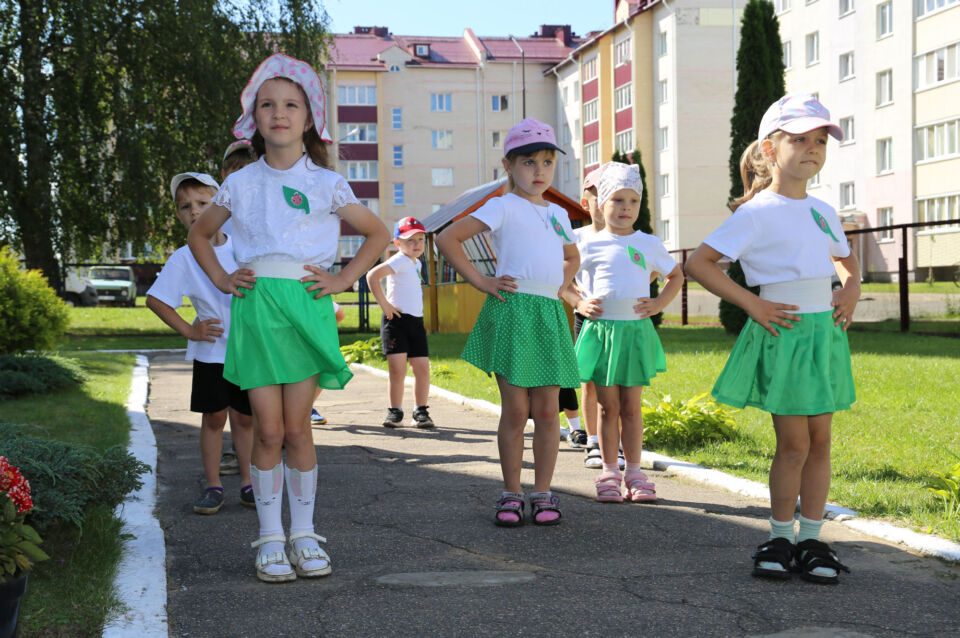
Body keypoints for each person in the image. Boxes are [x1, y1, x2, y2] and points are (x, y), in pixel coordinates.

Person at [187, 53, 390, 583]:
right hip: (256, 312)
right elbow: (199, 235)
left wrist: (344, 280)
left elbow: (378, 234)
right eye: (268, 105)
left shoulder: (326, 183)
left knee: (298, 429)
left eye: (291, 104)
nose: (279, 113)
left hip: (306, 307)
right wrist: (223, 279)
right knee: (267, 430)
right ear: (254, 118)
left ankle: (304, 535)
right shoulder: (240, 184)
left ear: (309, 117)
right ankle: (270, 539)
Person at [685, 94, 859, 584]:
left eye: (820, 141)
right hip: (783, 333)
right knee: (794, 445)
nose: (812, 149)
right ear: (767, 149)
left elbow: (845, 258)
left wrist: (851, 287)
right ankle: (780, 536)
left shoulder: (823, 210)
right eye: (799, 139)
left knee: (822, 441)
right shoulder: (757, 212)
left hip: (823, 336)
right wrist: (752, 303)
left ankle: (812, 541)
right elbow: (699, 263)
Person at [436, 117, 579, 527]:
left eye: (547, 162)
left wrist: (560, 285)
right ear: (509, 165)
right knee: (516, 410)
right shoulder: (502, 205)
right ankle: (512, 492)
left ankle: (544, 492)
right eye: (529, 162)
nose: (539, 171)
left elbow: (572, 256)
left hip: (548, 313)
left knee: (549, 410)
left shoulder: (557, 213)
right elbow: (449, 238)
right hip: (513, 311)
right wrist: (481, 281)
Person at [568, 162, 683, 503]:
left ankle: (635, 471)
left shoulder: (648, 243)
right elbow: (562, 280)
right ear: (601, 204)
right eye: (617, 200)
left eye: (633, 201)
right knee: (607, 406)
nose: (625, 208)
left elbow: (675, 276)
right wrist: (578, 302)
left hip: (634, 334)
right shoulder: (586, 243)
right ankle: (609, 471)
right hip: (601, 333)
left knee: (632, 406)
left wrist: (658, 304)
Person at [146, 172, 256, 514]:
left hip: (249, 349)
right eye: (186, 206)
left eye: (203, 203)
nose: (195, 211)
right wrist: (190, 331)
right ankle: (213, 485)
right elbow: (157, 300)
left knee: (245, 419)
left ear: (222, 204)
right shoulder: (183, 257)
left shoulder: (245, 244)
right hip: (212, 353)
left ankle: (250, 483)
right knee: (213, 418)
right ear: (179, 215)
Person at [365, 217, 434, 428]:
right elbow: (372, 276)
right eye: (410, 240)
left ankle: (420, 411)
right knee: (397, 369)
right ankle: (395, 411)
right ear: (398, 243)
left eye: (420, 239)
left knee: (422, 368)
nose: (417, 245)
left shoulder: (417, 262)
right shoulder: (399, 260)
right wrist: (384, 305)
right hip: (396, 321)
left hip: (416, 322)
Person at [217, 139, 261, 476]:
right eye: (234, 171)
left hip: (262, 312)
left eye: (248, 170)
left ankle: (265, 443)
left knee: (262, 385)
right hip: (227, 312)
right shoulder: (219, 216)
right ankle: (237, 449)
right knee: (235, 390)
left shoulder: (266, 211)